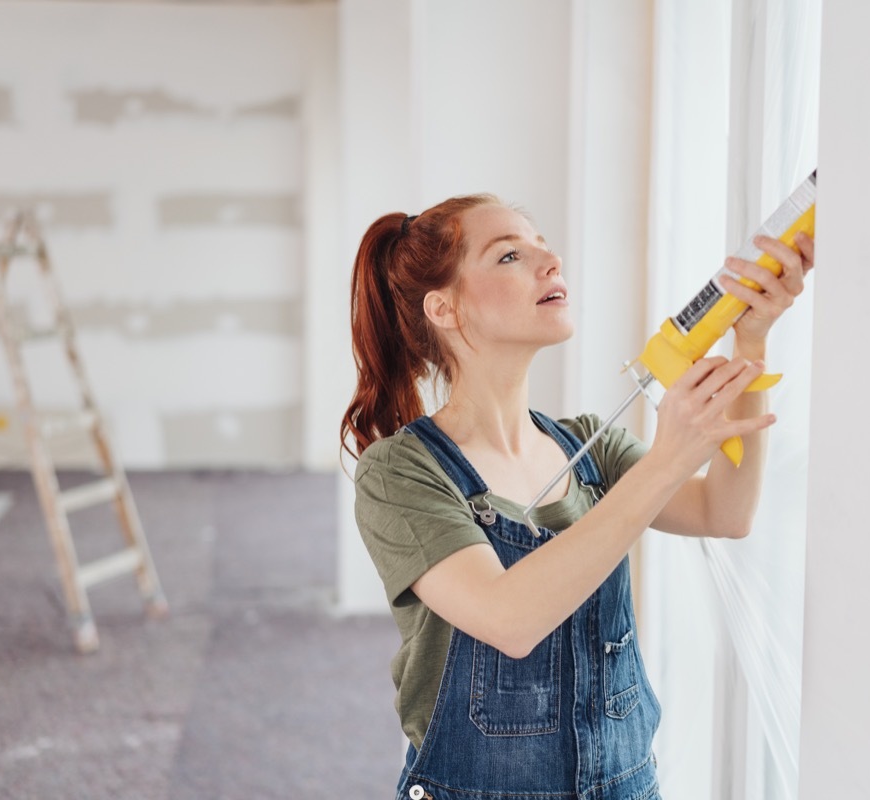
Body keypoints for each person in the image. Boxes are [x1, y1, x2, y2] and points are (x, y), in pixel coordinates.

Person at [342, 193, 813, 800]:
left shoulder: (592, 444)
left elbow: (726, 512)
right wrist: (668, 457)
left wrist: (750, 343)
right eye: (510, 254)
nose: (551, 260)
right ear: (445, 307)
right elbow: (509, 619)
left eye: (544, 245)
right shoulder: (400, 474)